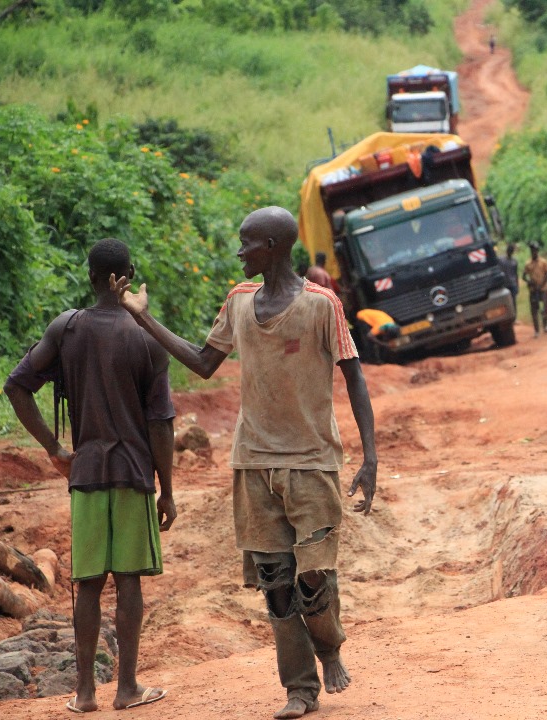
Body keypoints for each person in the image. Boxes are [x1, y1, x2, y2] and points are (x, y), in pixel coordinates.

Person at [112, 207, 378, 720]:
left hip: (312, 463)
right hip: (252, 464)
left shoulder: (322, 305)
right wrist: (140, 315)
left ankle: (329, 646)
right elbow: (202, 361)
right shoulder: (238, 302)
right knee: (277, 589)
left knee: (313, 580)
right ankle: (299, 690)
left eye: (247, 243)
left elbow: (356, 379)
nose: (240, 252)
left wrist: (370, 456)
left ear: (274, 245)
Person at [3, 238, 175, 713]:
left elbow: (16, 385)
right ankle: (127, 689)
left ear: (90, 276)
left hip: (86, 473)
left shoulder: (67, 328)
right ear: (130, 275)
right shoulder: (147, 339)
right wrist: (169, 491)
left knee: (90, 584)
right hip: (135, 473)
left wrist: (55, 448)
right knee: (130, 582)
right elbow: (161, 424)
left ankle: (83, 694)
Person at [522, 242, 547, 338]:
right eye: (532, 250)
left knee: (546, 307)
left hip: (543, 289)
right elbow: (524, 276)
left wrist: (543, 283)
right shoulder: (528, 263)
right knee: (534, 310)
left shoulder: (543, 262)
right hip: (533, 290)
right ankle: (536, 330)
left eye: (535, 250)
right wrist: (529, 282)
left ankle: (545, 325)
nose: (534, 252)